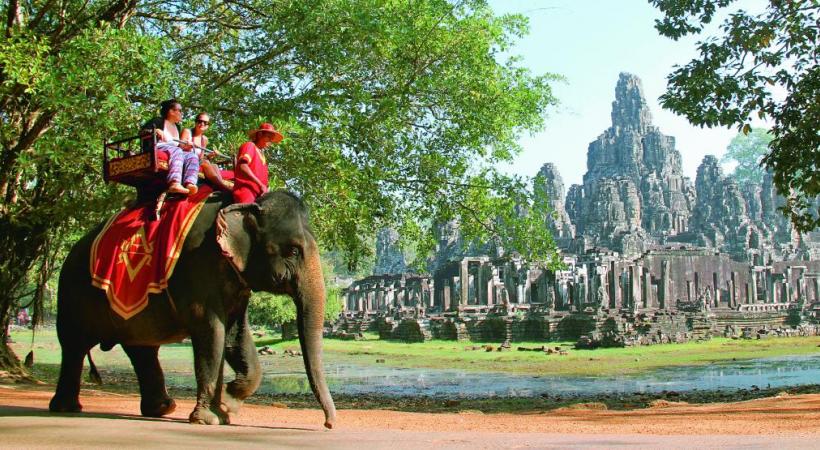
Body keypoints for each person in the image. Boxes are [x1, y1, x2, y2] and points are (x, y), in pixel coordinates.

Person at [140, 99, 199, 195]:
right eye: (179, 110)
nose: (181, 113)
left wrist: (186, 145)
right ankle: (174, 182)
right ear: (171, 111)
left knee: (192, 156)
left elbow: (178, 145)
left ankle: (190, 183)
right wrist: (155, 131)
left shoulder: (177, 127)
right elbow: (142, 133)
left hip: (173, 150)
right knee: (177, 151)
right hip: (158, 147)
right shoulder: (158, 121)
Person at [233, 122, 283, 204]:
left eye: (272, 139)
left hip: (259, 194)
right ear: (260, 134)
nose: (270, 141)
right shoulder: (250, 145)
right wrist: (260, 184)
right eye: (268, 137)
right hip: (247, 190)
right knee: (246, 213)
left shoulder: (262, 155)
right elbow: (242, 166)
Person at [183, 112, 231, 192]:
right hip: (186, 160)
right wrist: (187, 146)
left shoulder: (204, 139)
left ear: (208, 126)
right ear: (195, 122)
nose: (202, 124)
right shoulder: (187, 132)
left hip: (196, 162)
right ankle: (222, 186)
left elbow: (201, 158)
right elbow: (179, 148)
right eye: (200, 121)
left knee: (214, 165)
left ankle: (218, 185)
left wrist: (209, 156)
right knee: (205, 162)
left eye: (205, 123)